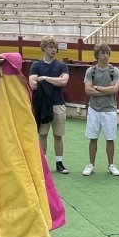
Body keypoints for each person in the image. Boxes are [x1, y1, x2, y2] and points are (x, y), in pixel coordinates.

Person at [29, 37, 71, 174]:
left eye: (55, 47)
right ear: (44, 48)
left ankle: (59, 163)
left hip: (57, 103)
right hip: (41, 104)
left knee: (58, 135)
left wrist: (45, 79)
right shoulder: (36, 65)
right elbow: (33, 84)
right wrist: (54, 81)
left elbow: (64, 82)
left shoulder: (61, 65)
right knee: (42, 134)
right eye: (51, 47)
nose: (54, 50)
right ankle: (42, 164)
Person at [83, 43, 119, 176]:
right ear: (97, 55)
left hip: (109, 109)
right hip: (94, 109)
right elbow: (88, 90)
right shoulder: (91, 71)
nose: (105, 55)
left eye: (107, 53)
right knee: (93, 138)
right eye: (102, 53)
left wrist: (97, 88)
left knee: (110, 139)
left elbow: (115, 90)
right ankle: (91, 164)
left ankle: (111, 165)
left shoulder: (114, 71)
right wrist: (107, 90)